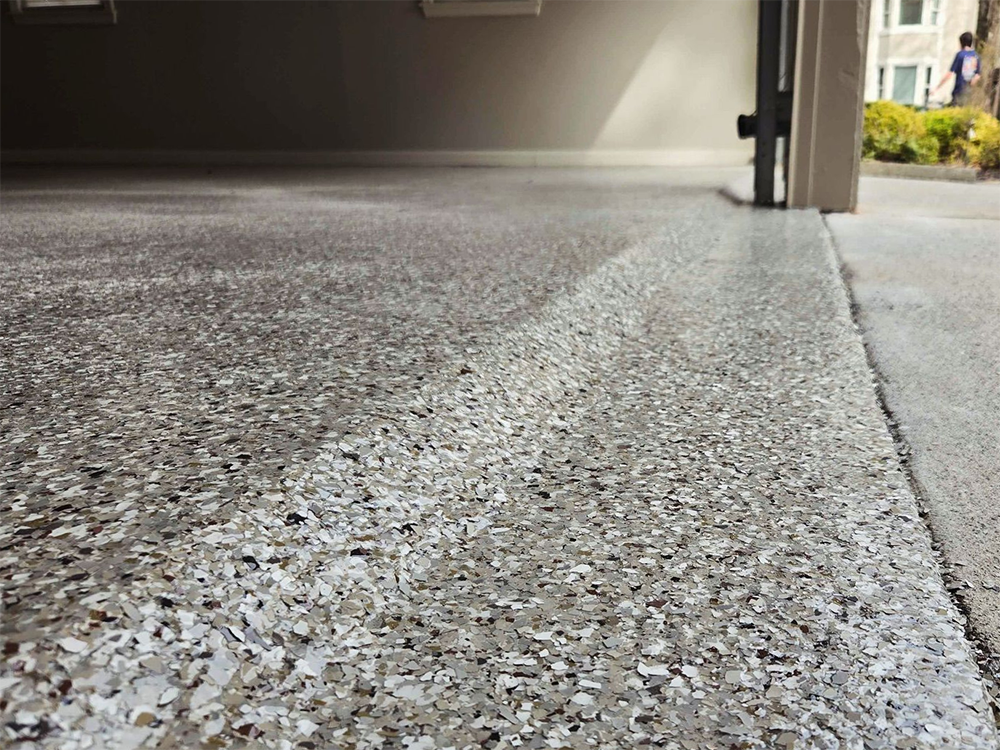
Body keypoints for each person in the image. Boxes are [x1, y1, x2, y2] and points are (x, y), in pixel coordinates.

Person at [933, 32, 981, 105]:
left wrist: (937, 88)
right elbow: (977, 75)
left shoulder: (960, 55)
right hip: (969, 92)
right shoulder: (975, 56)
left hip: (959, 91)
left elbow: (950, 74)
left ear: (961, 43)